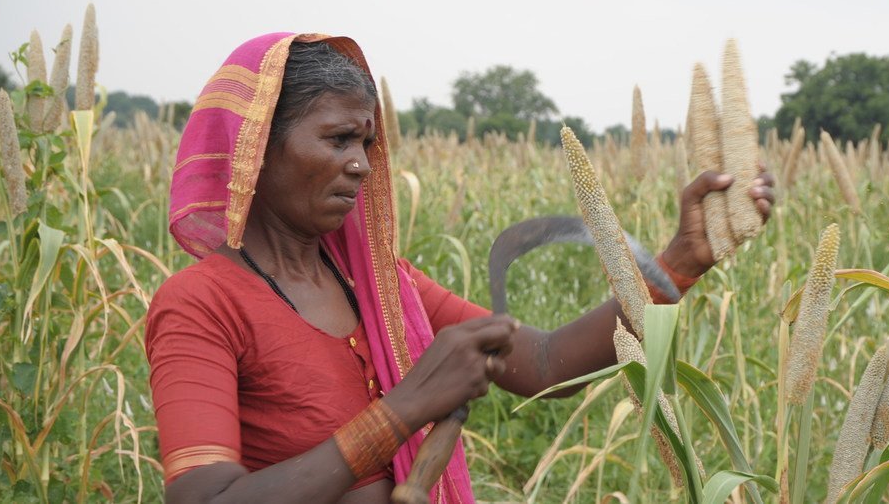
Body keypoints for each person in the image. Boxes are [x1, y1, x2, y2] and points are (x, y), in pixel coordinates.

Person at [146, 32, 774, 504]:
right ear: (253, 150)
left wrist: (679, 264)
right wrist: (406, 409)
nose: (362, 165)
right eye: (337, 140)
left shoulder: (381, 285)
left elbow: (545, 363)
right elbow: (207, 498)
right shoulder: (201, 304)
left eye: (366, 144)